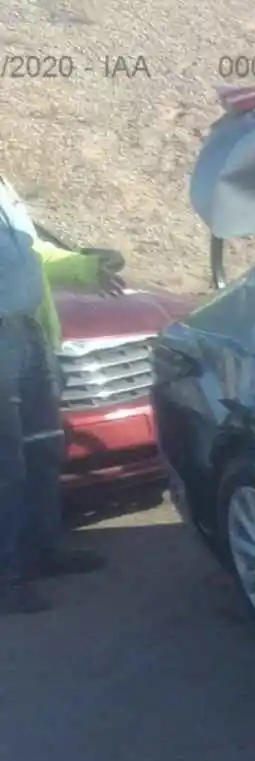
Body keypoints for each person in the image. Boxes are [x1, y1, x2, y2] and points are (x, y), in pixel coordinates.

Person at [1, 176, 125, 615]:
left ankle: (43, 550)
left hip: (31, 331)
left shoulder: (4, 186)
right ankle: (7, 577)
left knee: (42, 450)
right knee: (6, 466)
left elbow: (33, 257)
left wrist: (85, 269)